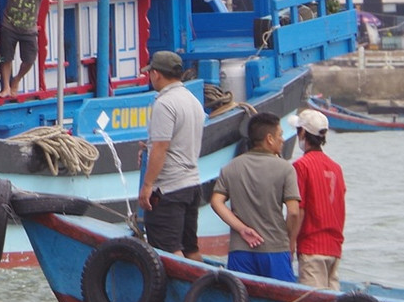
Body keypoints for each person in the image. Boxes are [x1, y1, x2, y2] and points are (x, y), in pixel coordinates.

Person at [210, 111, 300, 281]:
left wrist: (241, 229)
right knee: (282, 299)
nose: (282, 139)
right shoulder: (285, 168)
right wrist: (289, 241)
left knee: (241, 299)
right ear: (269, 139)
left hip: (240, 250)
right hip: (274, 249)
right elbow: (294, 212)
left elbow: (216, 202)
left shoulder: (230, 167)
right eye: (279, 135)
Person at [139, 48, 206, 260]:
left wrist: (147, 186)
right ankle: (204, 290)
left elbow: (161, 147)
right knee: (190, 247)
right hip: (192, 185)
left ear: (156, 74)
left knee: (169, 250)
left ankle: (181, 293)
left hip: (169, 189)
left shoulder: (164, 103)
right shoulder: (193, 100)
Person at [291, 107, 346, 288]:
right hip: (334, 248)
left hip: (311, 247)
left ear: (303, 133)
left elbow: (298, 211)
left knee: (313, 301)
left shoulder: (301, 166)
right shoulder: (336, 168)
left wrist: (290, 243)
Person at [0, 0, 50, 94]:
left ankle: (17, 79)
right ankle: (6, 87)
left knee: (29, 60)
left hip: (29, 29)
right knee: (6, 57)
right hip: (9, 24)